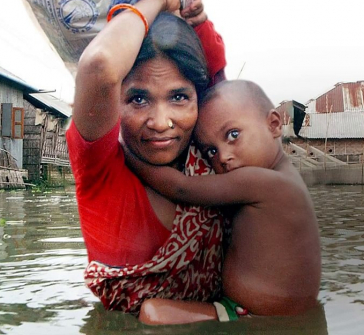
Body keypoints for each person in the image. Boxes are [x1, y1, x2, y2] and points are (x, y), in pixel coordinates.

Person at [65, 0, 229, 316]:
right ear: (115, 101)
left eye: (179, 97)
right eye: (138, 99)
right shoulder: (99, 169)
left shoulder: (214, 153)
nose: (161, 122)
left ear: (199, 100)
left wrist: (193, 17)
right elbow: (100, 65)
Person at [124, 80, 322, 324]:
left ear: (273, 125)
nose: (224, 157)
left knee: (151, 313)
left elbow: (180, 188)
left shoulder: (262, 181)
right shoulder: (286, 180)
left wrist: (128, 152)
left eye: (233, 135)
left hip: (255, 317)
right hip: (282, 314)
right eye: (211, 152)